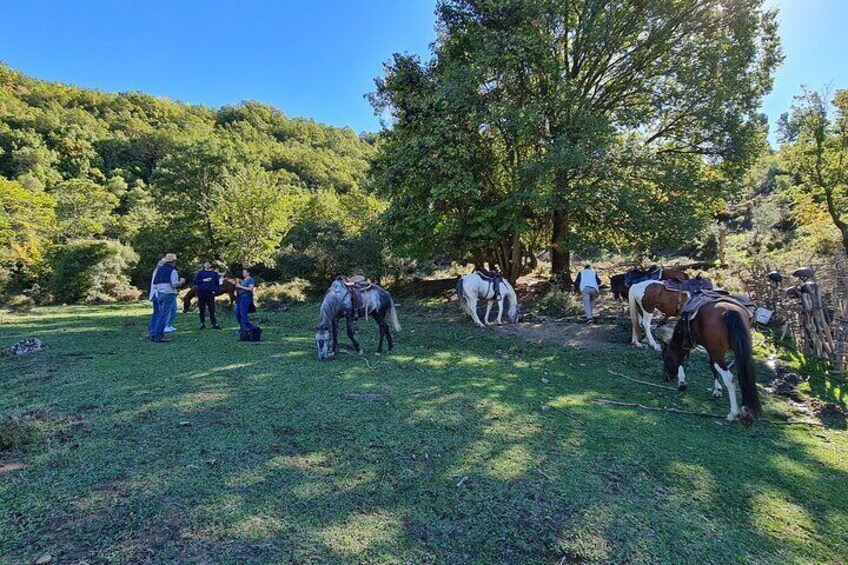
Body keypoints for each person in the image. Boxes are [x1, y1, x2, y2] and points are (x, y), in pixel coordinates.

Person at [149, 253, 185, 343]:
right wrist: (181, 281)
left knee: (159, 314)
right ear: (173, 261)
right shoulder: (173, 271)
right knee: (164, 316)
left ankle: (154, 333)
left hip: (159, 294)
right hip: (168, 294)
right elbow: (173, 285)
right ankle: (159, 336)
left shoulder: (159, 270)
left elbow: (155, 283)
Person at [193, 260, 222, 330]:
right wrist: (203, 280)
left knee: (212, 308)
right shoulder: (200, 273)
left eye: (208, 264)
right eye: (206, 263)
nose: (207, 265)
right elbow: (195, 282)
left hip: (210, 293)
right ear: (204, 265)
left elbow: (217, 284)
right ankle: (202, 323)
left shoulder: (214, 274)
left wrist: (215, 291)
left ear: (210, 265)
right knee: (202, 308)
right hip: (201, 292)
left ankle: (214, 324)